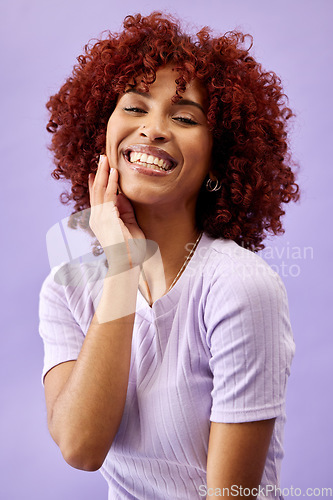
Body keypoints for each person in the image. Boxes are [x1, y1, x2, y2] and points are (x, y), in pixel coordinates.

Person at [39, 11, 300, 500]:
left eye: (183, 118)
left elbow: (232, 497)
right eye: (135, 108)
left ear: (219, 157)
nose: (153, 130)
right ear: (102, 132)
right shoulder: (67, 286)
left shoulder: (239, 286)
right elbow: (81, 447)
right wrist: (122, 266)